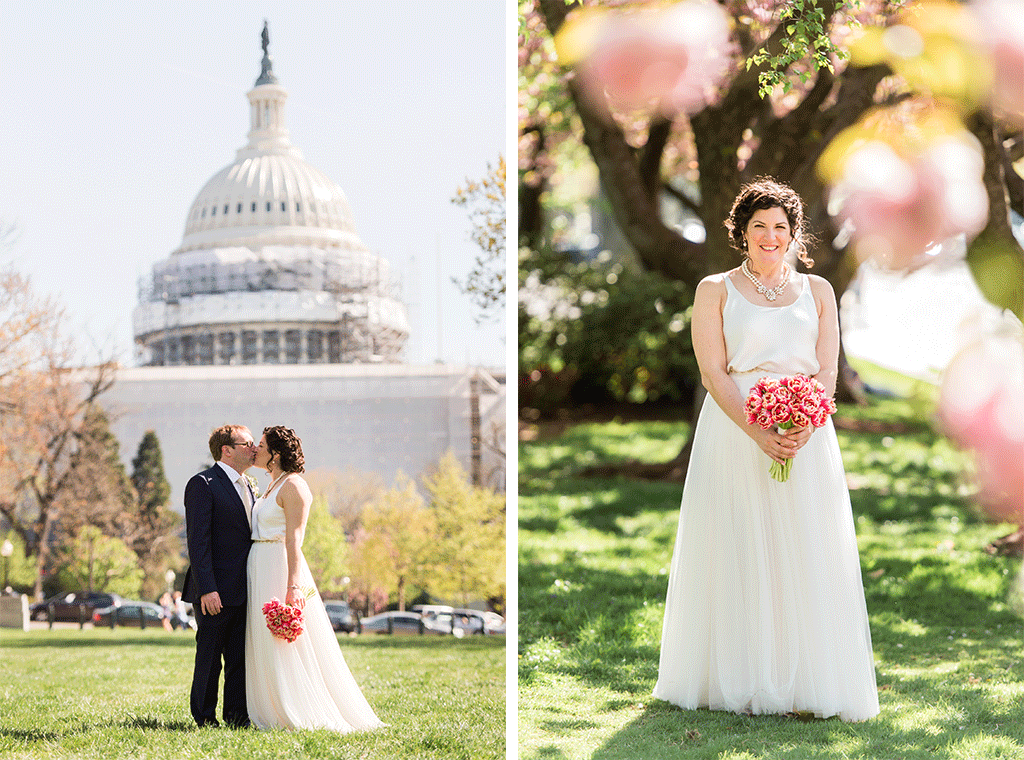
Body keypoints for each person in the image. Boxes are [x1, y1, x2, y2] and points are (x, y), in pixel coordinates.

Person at [653, 177, 879, 722]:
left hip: (807, 431)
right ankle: (736, 675)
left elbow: (826, 369)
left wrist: (806, 422)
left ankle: (803, 677)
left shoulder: (819, 291)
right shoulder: (715, 289)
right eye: (760, 227)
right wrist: (757, 430)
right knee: (737, 544)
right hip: (734, 428)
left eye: (780, 227)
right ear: (742, 232)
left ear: (794, 233)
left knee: (803, 547)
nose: (770, 237)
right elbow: (712, 370)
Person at [245, 426, 384, 731]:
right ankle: (267, 706)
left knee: (282, 638)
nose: (255, 449)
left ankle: (293, 706)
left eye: (261, 445)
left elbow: (295, 541)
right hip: (259, 563)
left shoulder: (294, 486)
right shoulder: (270, 485)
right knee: (263, 639)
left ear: (275, 454)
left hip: (279, 565)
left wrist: (293, 586)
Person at [182, 424, 257, 728]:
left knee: (239, 659)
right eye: (247, 443)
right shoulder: (203, 484)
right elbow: (197, 542)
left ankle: (237, 718)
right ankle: (204, 718)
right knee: (210, 658)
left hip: (245, 589)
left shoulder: (249, 485)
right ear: (227, 450)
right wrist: (207, 589)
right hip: (214, 591)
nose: (254, 448)